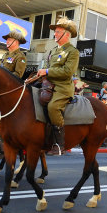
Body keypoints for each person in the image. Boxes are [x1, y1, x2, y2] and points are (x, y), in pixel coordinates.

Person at [37, 16, 80, 154]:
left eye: (57, 31)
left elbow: (67, 72)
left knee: (53, 107)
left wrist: (47, 71)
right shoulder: (53, 50)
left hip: (62, 88)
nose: (54, 34)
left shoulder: (73, 52)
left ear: (66, 35)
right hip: (48, 84)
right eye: (55, 31)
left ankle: (59, 144)